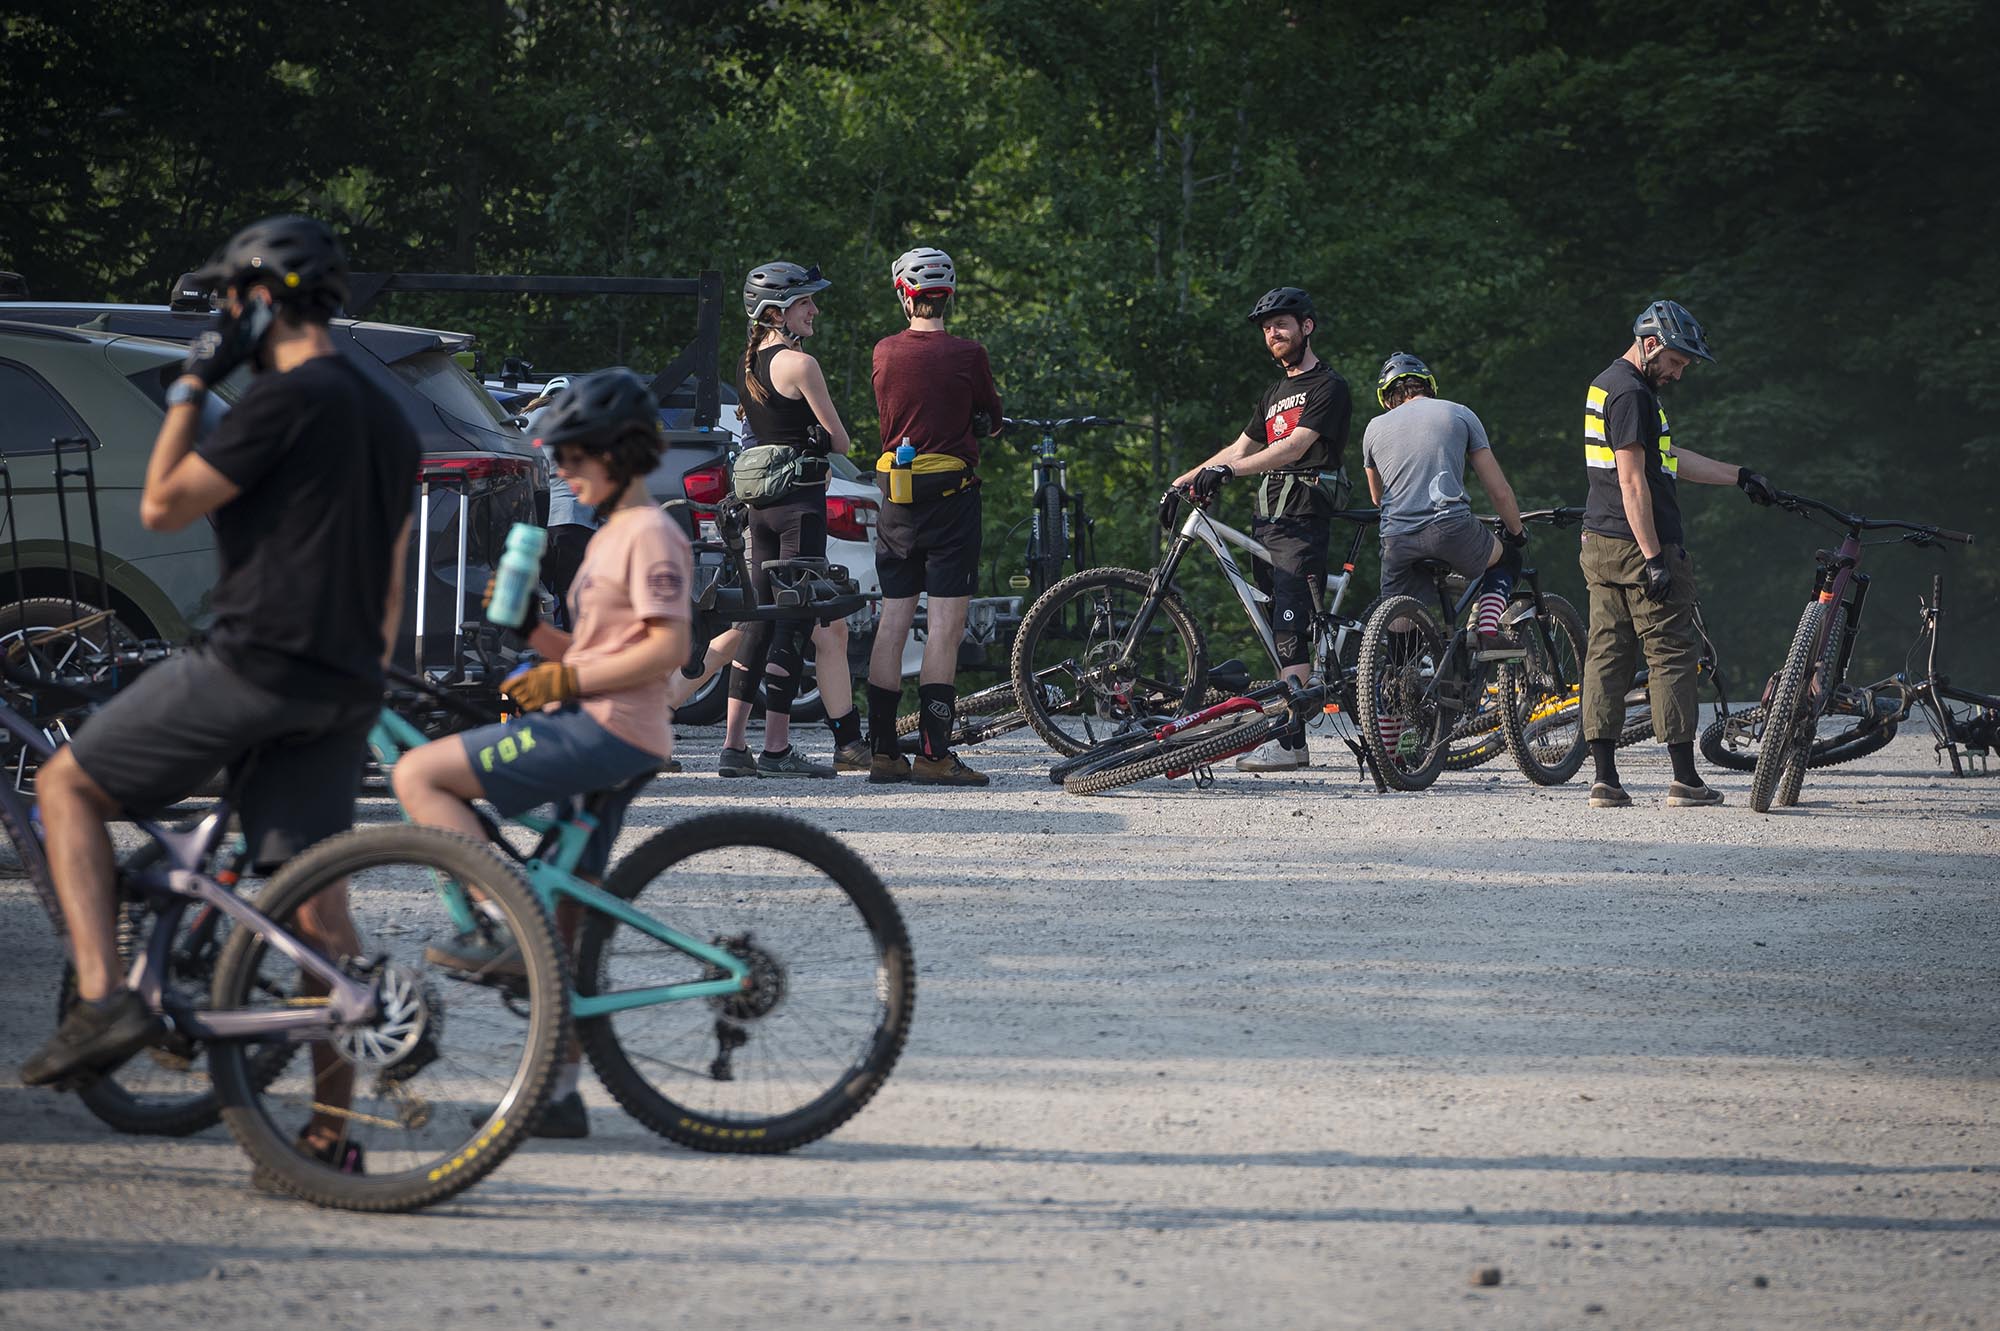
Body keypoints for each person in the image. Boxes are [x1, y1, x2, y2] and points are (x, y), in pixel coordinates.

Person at [22, 216, 420, 1172]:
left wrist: (194, 381)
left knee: (65, 788)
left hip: (255, 660)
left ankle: (106, 996)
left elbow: (161, 503)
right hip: (343, 680)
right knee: (317, 914)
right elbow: (392, 578)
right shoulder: (390, 411)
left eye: (231, 299)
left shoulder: (286, 397)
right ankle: (328, 1135)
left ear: (261, 300)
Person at [391, 367, 691, 1139]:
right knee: (562, 915)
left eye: (573, 457)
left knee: (419, 770)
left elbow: (667, 648)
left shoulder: (649, 532)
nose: (560, 473)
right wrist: (530, 632)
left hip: (612, 728)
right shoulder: (606, 537)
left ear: (618, 454)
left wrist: (562, 674)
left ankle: (500, 924)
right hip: (599, 717)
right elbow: (592, 648)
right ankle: (554, 1095)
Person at [1579, 299, 1776, 808]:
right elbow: (1632, 480)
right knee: (1671, 656)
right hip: (1638, 545)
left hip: (1600, 542)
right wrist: (1655, 557)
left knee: (1606, 656)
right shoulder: (1631, 393)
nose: (1679, 373)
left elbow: (1668, 460)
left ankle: (1605, 781)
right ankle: (1685, 780)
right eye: (1676, 361)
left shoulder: (1611, 385)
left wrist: (1738, 475)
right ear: (1650, 344)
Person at [1174, 286, 1352, 772]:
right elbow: (1239, 449)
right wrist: (1186, 479)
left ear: (1306, 327)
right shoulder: (1273, 394)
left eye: (1282, 323)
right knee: (1278, 625)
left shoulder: (1328, 387)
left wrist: (1228, 474)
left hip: (1303, 518)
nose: (1273, 332)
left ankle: (1293, 742)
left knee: (1291, 627)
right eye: (1267, 327)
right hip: (1268, 519)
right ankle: (1292, 716)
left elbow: (1294, 448)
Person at [718, 261, 866, 778]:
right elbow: (842, 441)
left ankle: (734, 747)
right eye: (806, 302)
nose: (815, 310)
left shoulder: (749, 362)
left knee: (758, 622)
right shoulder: (801, 366)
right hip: (800, 507)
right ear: (776, 311)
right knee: (794, 624)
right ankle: (777, 749)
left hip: (761, 505)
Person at [864, 246, 1003, 786]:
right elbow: (992, 418)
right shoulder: (969, 354)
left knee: (892, 621)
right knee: (944, 630)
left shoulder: (883, 351)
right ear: (950, 295)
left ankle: (881, 751)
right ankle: (934, 755)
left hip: (897, 498)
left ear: (906, 295)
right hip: (953, 502)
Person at [1363, 351, 1528, 632]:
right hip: (1450, 528)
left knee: (1401, 629)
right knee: (1508, 559)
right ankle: (1487, 629)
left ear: (1388, 398)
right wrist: (1516, 532)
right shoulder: (1458, 413)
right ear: (1428, 385)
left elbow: (1378, 498)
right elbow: (1499, 491)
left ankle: (1401, 673)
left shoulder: (1373, 428)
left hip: (1396, 541)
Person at [524, 375, 600, 625]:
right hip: (575, 521)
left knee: (537, 597)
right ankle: (576, 653)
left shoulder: (526, 420)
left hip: (537, 520)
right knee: (574, 597)